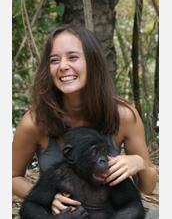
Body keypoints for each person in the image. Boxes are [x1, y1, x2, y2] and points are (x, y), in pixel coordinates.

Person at [12, 24, 158, 218]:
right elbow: (11, 176)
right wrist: (50, 197)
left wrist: (138, 162)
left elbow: (147, 189)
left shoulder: (123, 116)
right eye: (54, 60)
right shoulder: (36, 121)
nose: (63, 66)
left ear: (93, 62)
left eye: (73, 57)